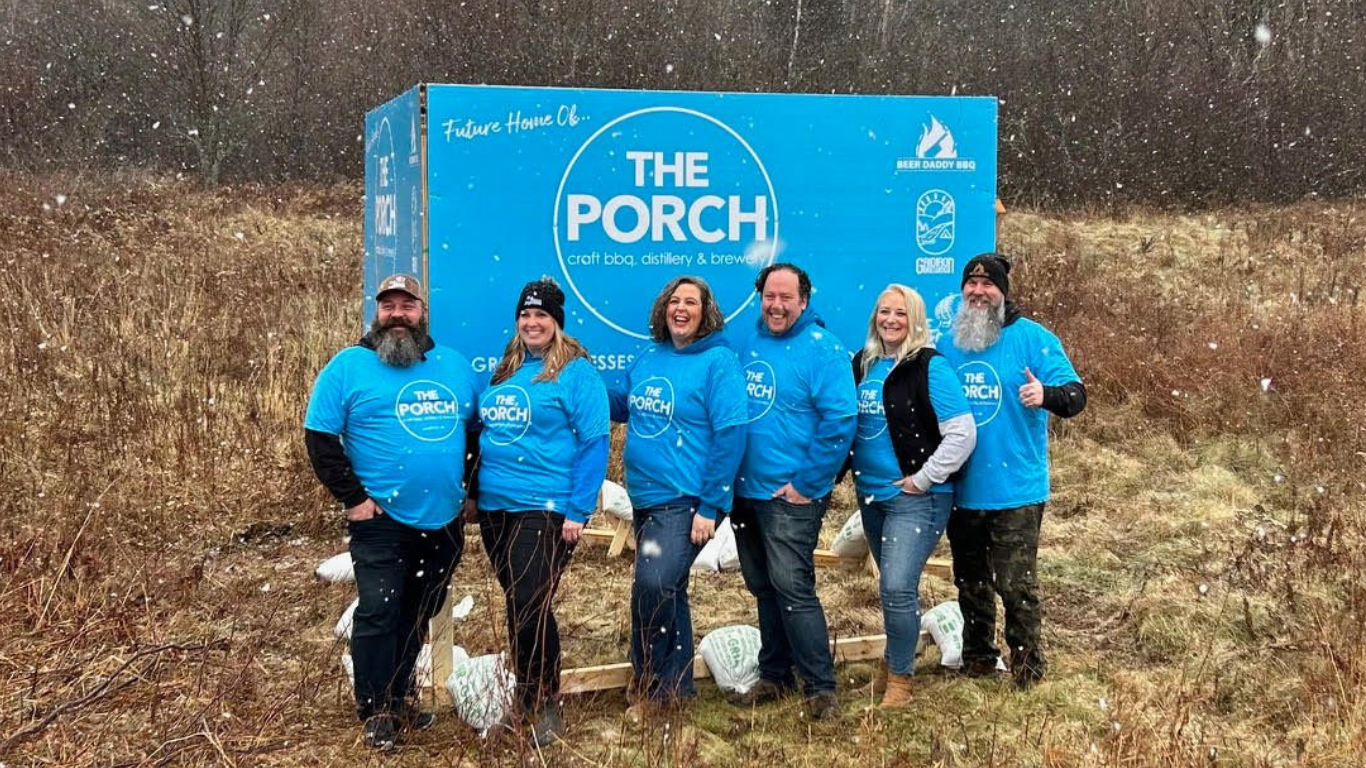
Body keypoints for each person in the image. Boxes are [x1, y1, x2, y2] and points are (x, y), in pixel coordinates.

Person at [303, 273, 479, 751]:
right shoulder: (348, 368)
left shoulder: (453, 366)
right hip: (380, 522)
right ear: (375, 312)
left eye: (408, 305)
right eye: (389, 306)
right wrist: (355, 499)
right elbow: (320, 439)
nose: (398, 315)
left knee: (416, 614)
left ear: (423, 312)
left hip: (442, 521)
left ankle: (400, 697)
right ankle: (376, 709)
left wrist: (470, 493)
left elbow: (475, 434)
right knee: (380, 611)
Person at [939, 253, 1087, 689]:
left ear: (1003, 292)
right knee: (971, 584)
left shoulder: (1032, 339)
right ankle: (980, 659)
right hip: (962, 488)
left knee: (1016, 587)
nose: (979, 292)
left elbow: (1076, 395)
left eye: (988, 286)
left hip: (1016, 490)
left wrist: (1046, 394)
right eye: (972, 285)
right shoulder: (948, 342)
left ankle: (1027, 670)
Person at [476, 277, 609, 746]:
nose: (533, 323)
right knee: (519, 604)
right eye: (526, 316)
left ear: (557, 323)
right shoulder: (506, 369)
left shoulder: (575, 372)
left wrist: (578, 510)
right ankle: (524, 698)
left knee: (531, 602)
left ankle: (546, 700)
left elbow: (595, 442)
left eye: (542, 316)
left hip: (547, 506)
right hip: (496, 508)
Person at [608, 276, 748, 714]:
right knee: (667, 589)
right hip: (646, 499)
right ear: (662, 309)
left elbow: (731, 435)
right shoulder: (651, 357)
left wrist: (710, 506)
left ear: (706, 312)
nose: (681, 308)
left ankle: (654, 687)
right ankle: (678, 689)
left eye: (691, 301)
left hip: (684, 501)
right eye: (674, 300)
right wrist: (578, 378)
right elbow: (623, 404)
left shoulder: (718, 362)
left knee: (653, 585)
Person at [730, 262, 857, 721]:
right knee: (763, 586)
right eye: (769, 296)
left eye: (786, 298)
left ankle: (820, 688)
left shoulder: (823, 350)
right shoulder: (748, 343)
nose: (776, 305)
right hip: (746, 493)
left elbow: (840, 421)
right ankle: (775, 675)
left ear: (804, 301)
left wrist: (807, 484)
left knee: (792, 587)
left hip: (790, 497)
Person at [847, 284, 976, 707]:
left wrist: (923, 478)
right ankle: (894, 658)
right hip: (872, 495)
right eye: (884, 312)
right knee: (890, 586)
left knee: (898, 587)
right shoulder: (863, 364)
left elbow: (963, 433)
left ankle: (901, 679)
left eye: (900, 314)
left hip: (917, 498)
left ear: (915, 319)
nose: (891, 320)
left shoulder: (928, 367)